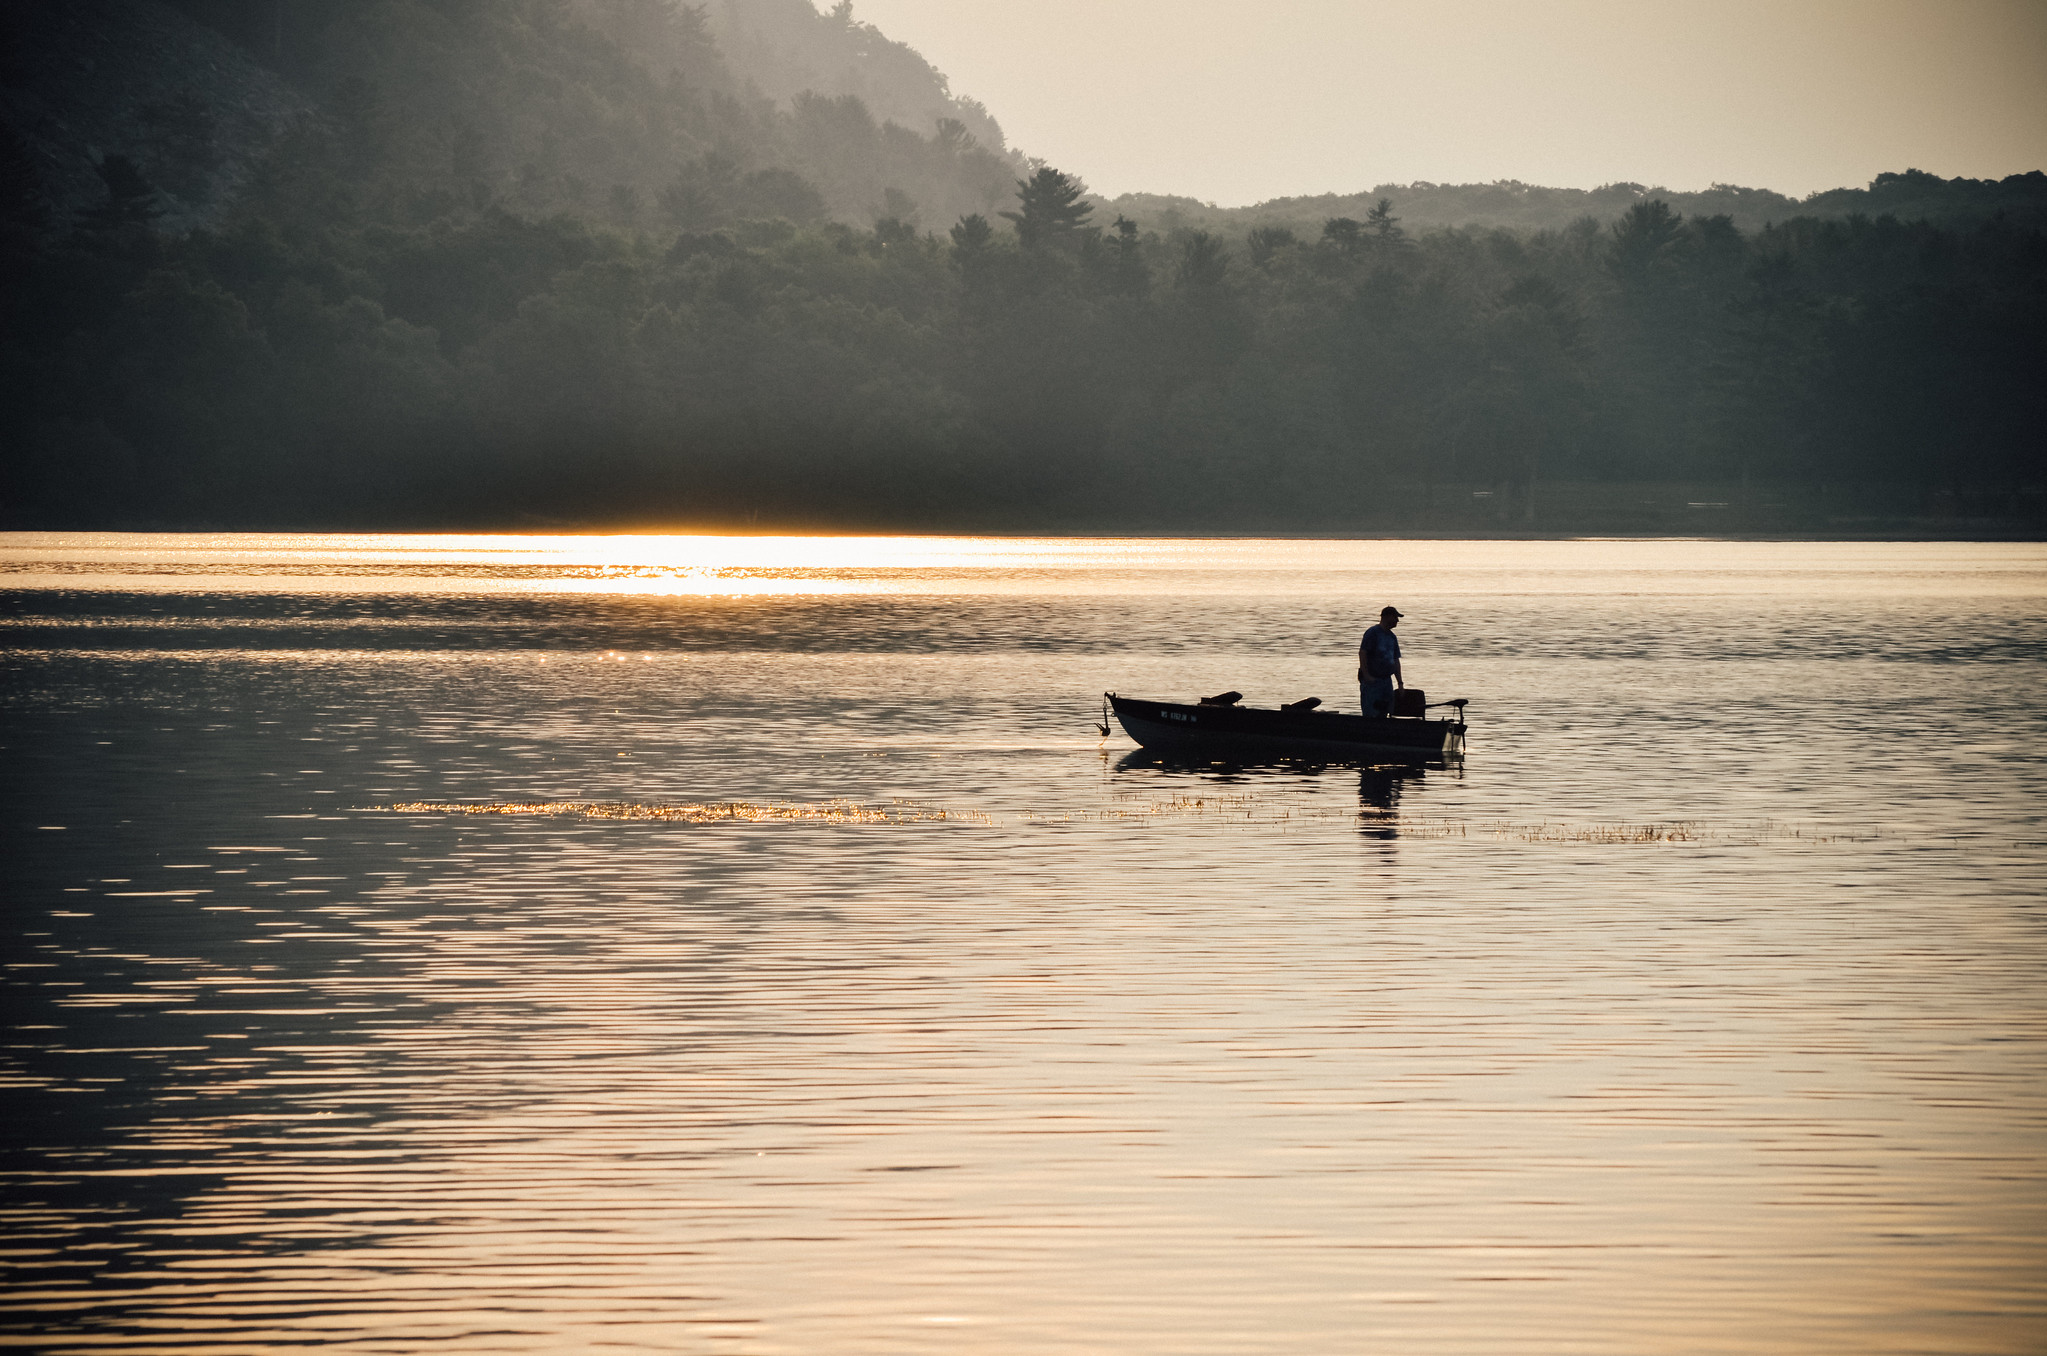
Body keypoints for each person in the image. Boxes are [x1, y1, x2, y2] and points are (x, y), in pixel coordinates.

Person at [1358, 605, 1403, 717]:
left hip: (1386, 681)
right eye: (1395, 617)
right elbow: (1362, 653)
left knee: (1385, 711)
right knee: (1371, 713)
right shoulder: (1373, 633)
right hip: (1372, 681)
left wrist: (1400, 683)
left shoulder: (1392, 637)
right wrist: (1367, 675)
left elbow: (1396, 660)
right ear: (1386, 617)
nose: (1397, 620)